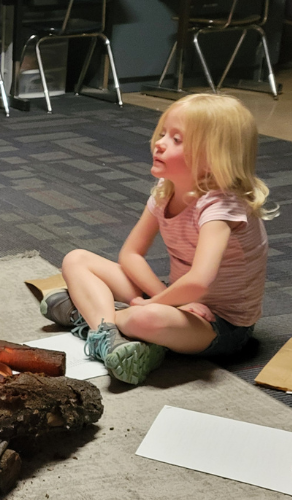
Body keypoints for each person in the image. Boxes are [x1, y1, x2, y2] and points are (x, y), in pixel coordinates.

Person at [40, 93, 276, 385]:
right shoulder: (165, 192)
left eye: (177, 139)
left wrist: (158, 306)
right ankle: (109, 330)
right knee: (76, 259)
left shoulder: (221, 206)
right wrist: (162, 299)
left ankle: (89, 315)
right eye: (163, 133)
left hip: (219, 324)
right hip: (177, 299)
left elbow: (199, 281)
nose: (160, 143)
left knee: (146, 319)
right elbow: (130, 255)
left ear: (213, 157)